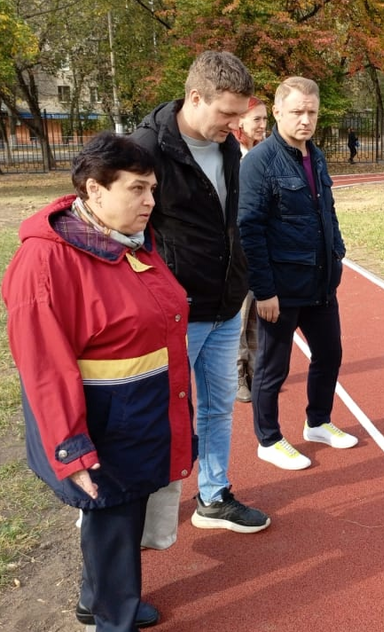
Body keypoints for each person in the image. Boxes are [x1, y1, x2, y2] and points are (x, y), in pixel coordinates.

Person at [2, 133, 194, 631]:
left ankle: (99, 600)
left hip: (141, 419)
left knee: (121, 526)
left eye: (152, 188)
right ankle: (114, 618)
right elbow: (42, 365)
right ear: (95, 190)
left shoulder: (129, 241)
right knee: (113, 526)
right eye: (137, 189)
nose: (151, 201)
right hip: (105, 432)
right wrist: (72, 448)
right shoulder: (46, 262)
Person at [131, 51, 270, 533]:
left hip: (225, 304)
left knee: (217, 407)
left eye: (240, 114)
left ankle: (213, 496)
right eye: (227, 113)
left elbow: (230, 222)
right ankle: (138, 521)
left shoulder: (229, 147)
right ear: (195, 97)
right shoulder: (145, 149)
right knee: (161, 416)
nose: (236, 125)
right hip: (173, 314)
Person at [238, 76, 357, 471]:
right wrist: (264, 290)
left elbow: (329, 211)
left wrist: (338, 253)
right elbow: (249, 229)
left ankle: (318, 421)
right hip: (281, 289)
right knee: (274, 367)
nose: (305, 120)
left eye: (312, 112)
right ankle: (268, 440)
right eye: (297, 112)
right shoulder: (258, 162)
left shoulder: (316, 156)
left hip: (321, 283)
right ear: (276, 113)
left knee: (330, 354)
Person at [233, 96, 269, 403]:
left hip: (262, 246)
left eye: (265, 120)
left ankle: (256, 371)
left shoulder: (264, 155)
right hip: (238, 248)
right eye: (256, 119)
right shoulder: (233, 157)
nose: (262, 125)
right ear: (240, 123)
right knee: (240, 316)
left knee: (258, 315)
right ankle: (237, 375)